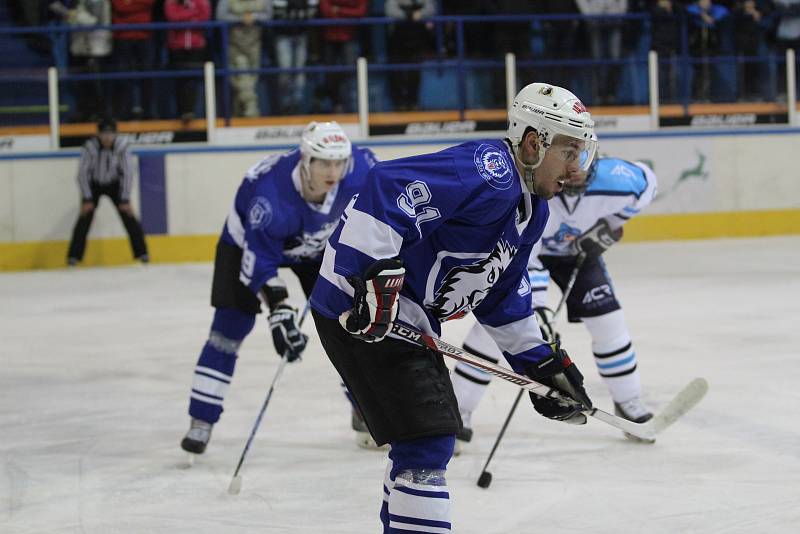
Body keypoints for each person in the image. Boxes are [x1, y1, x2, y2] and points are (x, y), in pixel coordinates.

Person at [309, 82, 597, 532]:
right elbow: (387, 186)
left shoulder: (531, 211)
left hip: (403, 315)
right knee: (428, 441)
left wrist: (541, 364)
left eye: (581, 152)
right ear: (532, 142)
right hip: (361, 309)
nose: (576, 167)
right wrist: (368, 276)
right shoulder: (491, 171)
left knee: (420, 443)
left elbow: (500, 294)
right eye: (568, 151)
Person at [180, 122, 378, 455]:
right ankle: (201, 420)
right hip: (248, 243)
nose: (333, 172)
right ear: (305, 159)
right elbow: (260, 262)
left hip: (316, 248)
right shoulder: (269, 198)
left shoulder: (362, 168)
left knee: (347, 327)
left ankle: (364, 407)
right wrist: (280, 310)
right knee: (229, 327)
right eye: (323, 163)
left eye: (338, 162)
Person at [452, 155, 659, 446]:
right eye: (566, 159)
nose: (573, 170)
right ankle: (458, 410)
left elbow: (648, 185)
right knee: (496, 330)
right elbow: (525, 261)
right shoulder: (533, 191)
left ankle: (629, 401)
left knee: (608, 322)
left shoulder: (618, 180)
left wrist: (611, 227)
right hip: (524, 256)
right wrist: (537, 309)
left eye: (581, 159)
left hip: (579, 255)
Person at [67, 118, 148, 265]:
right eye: (104, 134)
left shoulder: (122, 146)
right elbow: (83, 174)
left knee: (129, 216)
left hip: (115, 184)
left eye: (111, 134)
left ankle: (142, 254)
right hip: (94, 185)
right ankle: (74, 257)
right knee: (84, 218)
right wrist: (87, 198)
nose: (107, 138)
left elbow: (128, 173)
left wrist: (125, 199)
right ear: (98, 134)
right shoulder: (89, 147)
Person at [216, 0, 271, 117]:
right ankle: (252, 110)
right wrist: (240, 18)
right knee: (240, 76)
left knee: (251, 79)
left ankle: (239, 112)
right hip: (234, 44)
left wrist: (254, 17)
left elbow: (269, 14)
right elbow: (220, 15)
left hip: (255, 43)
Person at [164, 0, 212, 123]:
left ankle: (189, 111)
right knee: (179, 80)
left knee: (192, 80)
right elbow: (172, 17)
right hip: (177, 46)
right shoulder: (171, 1)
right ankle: (181, 112)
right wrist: (193, 14)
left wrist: (184, 15)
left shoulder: (202, 1)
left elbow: (205, 17)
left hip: (196, 46)